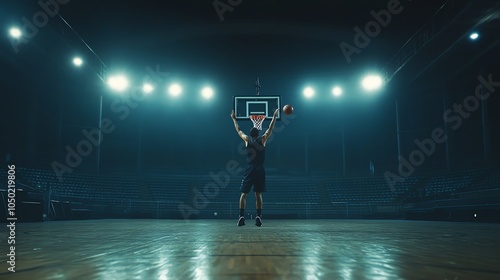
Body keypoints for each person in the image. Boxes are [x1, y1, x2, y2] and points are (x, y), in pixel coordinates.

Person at [230, 108, 279, 227]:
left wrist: (234, 119)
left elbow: (238, 130)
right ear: (258, 133)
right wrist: (274, 116)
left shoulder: (247, 140)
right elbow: (270, 128)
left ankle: (241, 216)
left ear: (251, 135)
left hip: (250, 169)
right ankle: (258, 216)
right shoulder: (263, 139)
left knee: (243, 194)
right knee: (259, 194)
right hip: (260, 169)